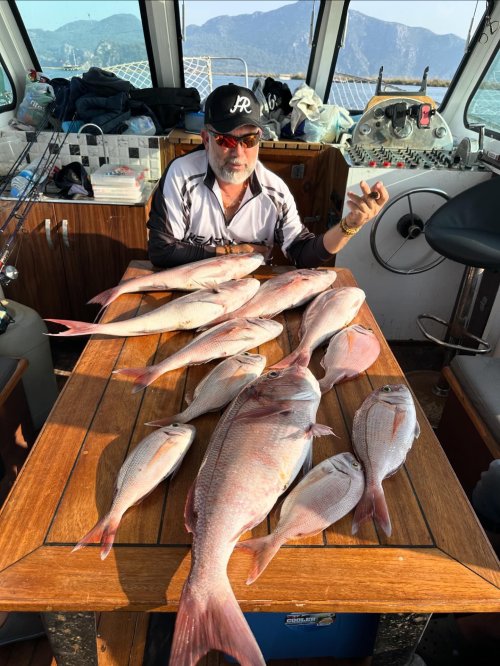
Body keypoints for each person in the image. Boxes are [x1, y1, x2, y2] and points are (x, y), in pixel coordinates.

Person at [147, 84, 388, 268]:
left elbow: (302, 252)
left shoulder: (275, 192)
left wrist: (349, 225)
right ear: (206, 139)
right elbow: (161, 251)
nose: (238, 152)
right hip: (189, 286)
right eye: (225, 140)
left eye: (249, 139)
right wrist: (234, 252)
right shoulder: (181, 175)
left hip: (249, 291)